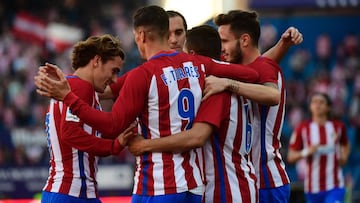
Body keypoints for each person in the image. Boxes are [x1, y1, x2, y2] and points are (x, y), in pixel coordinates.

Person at [34, 5, 270, 203]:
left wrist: (69, 96)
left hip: (157, 185)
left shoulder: (142, 75)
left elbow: (112, 125)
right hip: (193, 185)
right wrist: (226, 83)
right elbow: (252, 74)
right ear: (167, 34)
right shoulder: (198, 63)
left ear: (141, 36)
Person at [126, 24, 283, 203]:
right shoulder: (235, 85)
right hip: (242, 183)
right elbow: (258, 72)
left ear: (192, 56)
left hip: (223, 191)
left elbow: (197, 137)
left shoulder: (216, 91)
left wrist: (145, 145)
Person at [201, 10, 303, 203]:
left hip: (267, 181)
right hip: (251, 179)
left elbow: (273, 95)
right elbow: (257, 65)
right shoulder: (252, 68)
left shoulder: (264, 68)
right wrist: (282, 44)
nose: (220, 48)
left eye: (224, 41)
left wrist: (228, 84)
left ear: (245, 40)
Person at [39, 34, 135, 203]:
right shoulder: (81, 88)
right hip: (72, 193)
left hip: (69, 192)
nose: (114, 80)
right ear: (97, 60)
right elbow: (70, 133)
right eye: (114, 71)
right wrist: (112, 146)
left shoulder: (71, 86)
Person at [287, 92, 350, 203]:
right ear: (310, 106)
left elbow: (345, 143)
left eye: (321, 102)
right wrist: (307, 151)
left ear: (328, 107)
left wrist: (344, 156)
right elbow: (291, 156)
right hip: (312, 188)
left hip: (335, 185)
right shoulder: (302, 128)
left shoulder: (338, 127)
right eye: (314, 102)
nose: (318, 105)